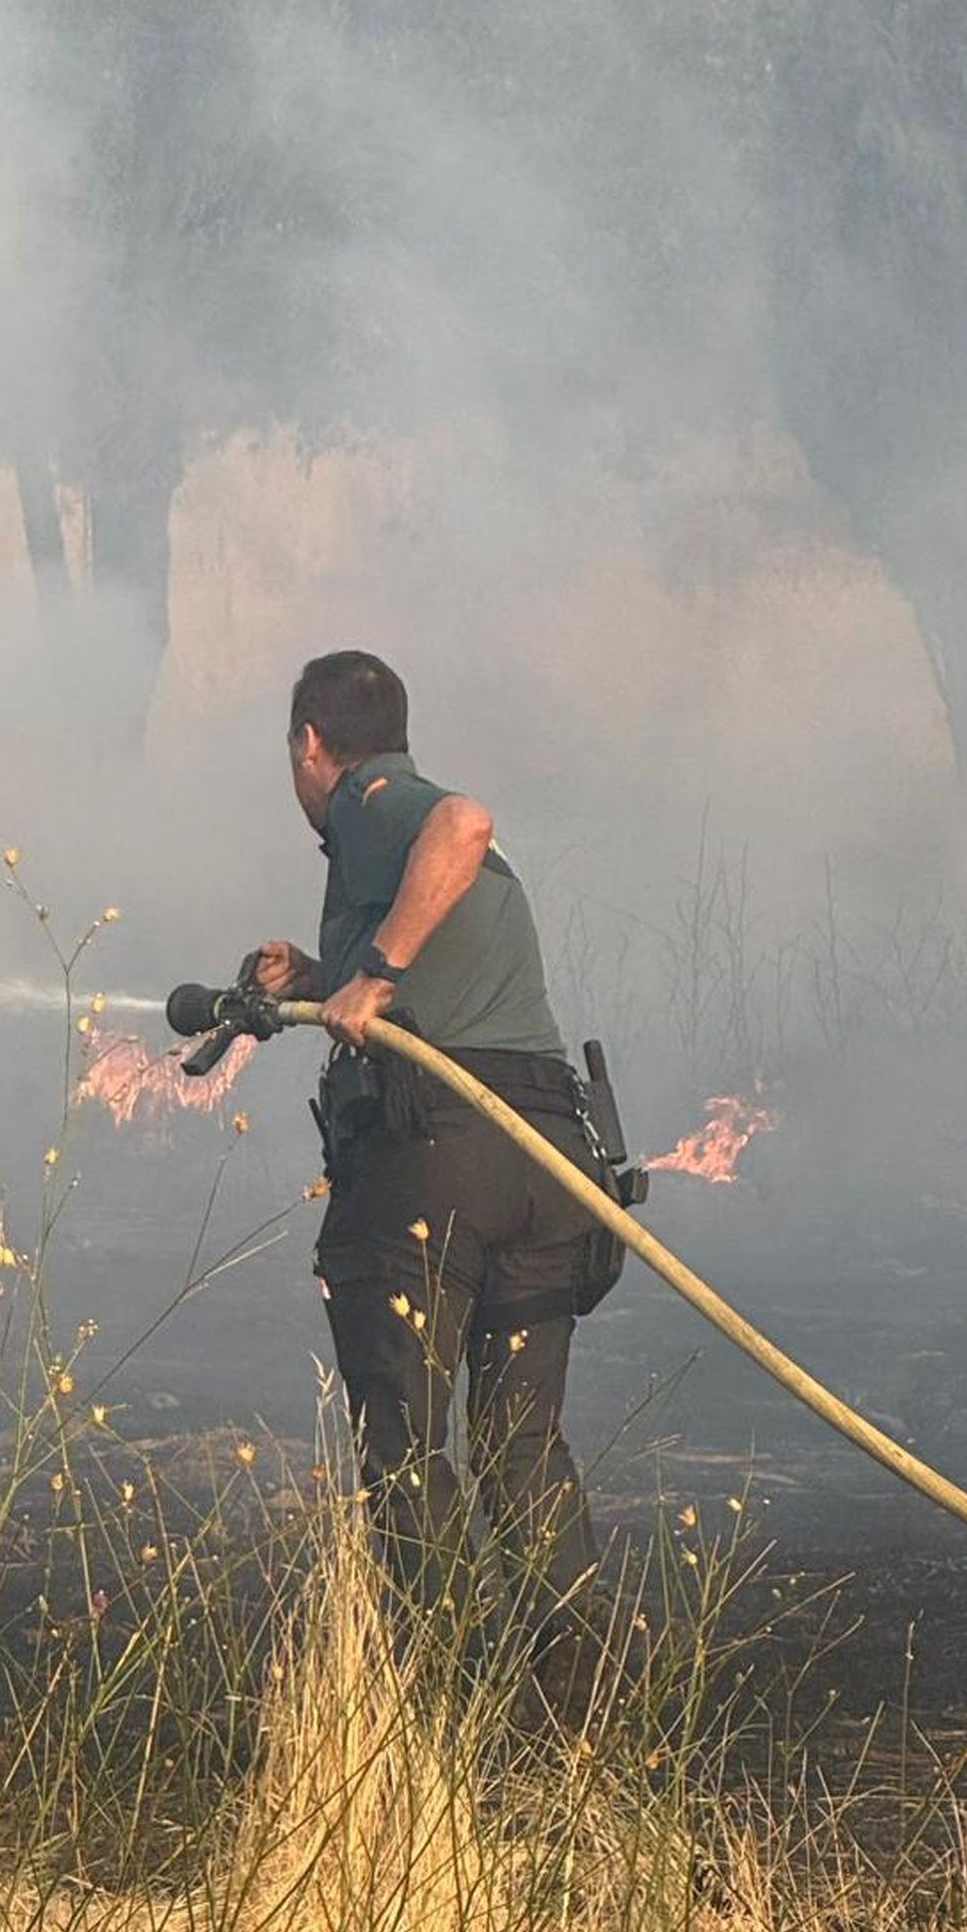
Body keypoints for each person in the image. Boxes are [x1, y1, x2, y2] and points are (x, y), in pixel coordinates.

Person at [257, 649, 611, 1717]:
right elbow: (446, 964)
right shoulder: (384, 852)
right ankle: (571, 1730)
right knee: (520, 1453)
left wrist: (373, 973)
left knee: (404, 1447)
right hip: (544, 1166)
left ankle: (446, 1726)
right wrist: (323, 981)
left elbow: (463, 824)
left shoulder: (373, 802)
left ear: (310, 744)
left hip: (435, 1161)